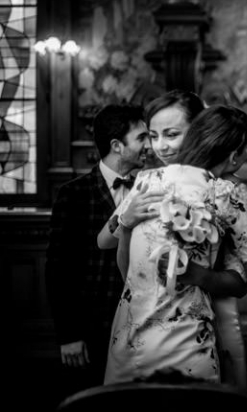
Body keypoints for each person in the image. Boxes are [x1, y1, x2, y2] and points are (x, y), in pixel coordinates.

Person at [97, 90, 247, 388]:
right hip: (142, 316)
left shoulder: (224, 188)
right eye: (153, 136)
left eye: (171, 135)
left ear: (198, 132)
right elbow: (105, 242)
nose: (161, 146)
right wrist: (126, 223)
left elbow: (246, 269)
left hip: (205, 308)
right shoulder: (149, 181)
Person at [46, 104, 150, 399]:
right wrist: (69, 335)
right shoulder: (74, 193)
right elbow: (58, 269)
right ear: (117, 146)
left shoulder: (150, 188)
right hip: (93, 326)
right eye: (142, 137)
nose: (149, 145)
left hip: (143, 321)